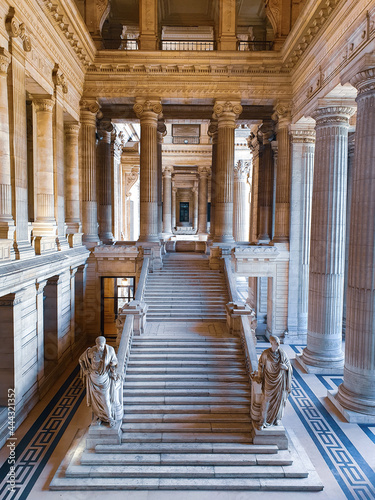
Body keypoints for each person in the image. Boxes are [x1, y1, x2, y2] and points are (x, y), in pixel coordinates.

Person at [251, 335, 292, 429]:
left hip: (280, 381)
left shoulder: (282, 353)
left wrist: (285, 368)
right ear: (271, 343)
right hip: (269, 381)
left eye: (278, 343)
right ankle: (263, 421)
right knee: (266, 401)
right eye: (276, 343)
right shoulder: (265, 354)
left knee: (278, 401)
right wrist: (260, 377)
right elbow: (261, 366)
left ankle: (275, 419)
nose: (278, 345)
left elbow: (289, 366)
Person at [79, 336, 120, 427]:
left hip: (104, 379)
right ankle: (99, 417)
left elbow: (114, 362)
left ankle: (109, 418)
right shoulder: (91, 351)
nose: (99, 347)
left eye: (101, 345)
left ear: (105, 344)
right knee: (95, 401)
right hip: (93, 379)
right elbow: (81, 359)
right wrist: (85, 370)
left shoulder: (110, 350)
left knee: (105, 399)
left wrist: (113, 370)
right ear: (96, 344)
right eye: (98, 345)